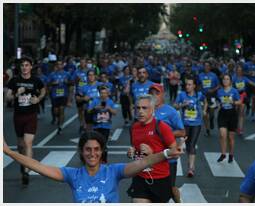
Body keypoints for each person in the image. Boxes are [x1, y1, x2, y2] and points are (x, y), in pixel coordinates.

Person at [3, 131, 183, 203]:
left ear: (101, 152)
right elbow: (37, 165)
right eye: (88, 149)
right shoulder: (72, 174)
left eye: (96, 149)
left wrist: (166, 154)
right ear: (81, 152)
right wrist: (8, 152)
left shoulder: (114, 172)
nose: (92, 153)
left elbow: (143, 162)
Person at [127, 94, 178, 203]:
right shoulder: (133, 127)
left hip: (160, 178)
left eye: (144, 108)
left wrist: (153, 153)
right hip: (140, 177)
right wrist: (132, 152)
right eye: (138, 108)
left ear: (152, 110)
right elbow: (136, 149)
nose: (140, 111)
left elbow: (175, 153)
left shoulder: (162, 127)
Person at [6, 56, 46, 185]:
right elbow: (7, 98)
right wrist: (17, 93)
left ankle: (26, 172)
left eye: (27, 65)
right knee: (20, 145)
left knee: (28, 143)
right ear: (20, 67)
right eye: (22, 65)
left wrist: (38, 99)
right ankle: (23, 164)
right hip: (18, 116)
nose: (24, 67)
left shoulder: (36, 80)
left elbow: (44, 90)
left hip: (31, 115)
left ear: (31, 67)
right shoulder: (15, 81)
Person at [149, 83, 186, 203]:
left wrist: (165, 133)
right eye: (151, 93)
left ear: (163, 95)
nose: (154, 96)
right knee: (152, 189)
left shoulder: (171, 112)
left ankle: (178, 201)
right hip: (151, 157)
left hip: (168, 158)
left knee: (169, 189)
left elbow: (182, 131)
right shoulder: (145, 111)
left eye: (157, 93)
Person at [174, 77, 207, 177]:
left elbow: (206, 101)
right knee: (188, 145)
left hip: (197, 123)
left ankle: (191, 168)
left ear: (194, 86)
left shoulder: (199, 94)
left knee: (192, 145)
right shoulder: (182, 95)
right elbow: (174, 105)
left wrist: (204, 110)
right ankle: (190, 163)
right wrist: (182, 105)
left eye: (189, 84)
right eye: (186, 84)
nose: (187, 86)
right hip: (185, 124)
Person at [216, 74, 241, 163]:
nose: (225, 81)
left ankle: (231, 154)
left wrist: (233, 102)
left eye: (227, 79)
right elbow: (217, 102)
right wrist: (216, 104)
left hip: (232, 114)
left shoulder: (234, 91)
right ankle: (223, 154)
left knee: (231, 137)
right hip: (222, 113)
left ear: (230, 81)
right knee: (222, 135)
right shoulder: (219, 92)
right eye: (224, 79)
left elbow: (239, 102)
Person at [233, 64, 255, 136]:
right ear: (236, 71)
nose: (239, 72)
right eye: (238, 70)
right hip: (235, 97)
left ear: (242, 71)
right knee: (236, 112)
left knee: (241, 112)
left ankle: (241, 129)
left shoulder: (244, 78)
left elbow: (251, 83)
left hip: (243, 96)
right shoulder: (233, 78)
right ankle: (235, 125)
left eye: (240, 71)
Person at [91, 86, 117, 162]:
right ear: (99, 93)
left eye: (105, 93)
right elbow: (88, 111)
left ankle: (104, 160)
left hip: (106, 127)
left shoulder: (110, 102)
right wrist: (95, 108)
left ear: (108, 94)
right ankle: (97, 159)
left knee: (103, 143)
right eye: (101, 93)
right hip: (96, 126)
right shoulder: (95, 101)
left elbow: (115, 113)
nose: (103, 94)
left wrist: (109, 108)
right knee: (96, 143)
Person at [47, 59, 70, 134]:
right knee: (56, 111)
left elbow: (72, 83)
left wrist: (68, 82)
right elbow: (48, 83)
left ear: (63, 65)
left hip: (64, 94)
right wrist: (53, 83)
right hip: (55, 95)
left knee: (62, 109)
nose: (59, 66)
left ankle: (60, 126)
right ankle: (58, 118)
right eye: (58, 64)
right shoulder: (52, 74)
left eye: (61, 64)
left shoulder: (67, 74)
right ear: (56, 66)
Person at [198, 61, 220, 136]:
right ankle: (207, 130)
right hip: (203, 96)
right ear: (203, 67)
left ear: (210, 67)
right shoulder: (200, 75)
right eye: (205, 66)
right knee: (204, 114)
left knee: (211, 112)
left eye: (208, 66)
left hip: (212, 96)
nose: (206, 67)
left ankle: (211, 120)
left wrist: (213, 90)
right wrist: (199, 91)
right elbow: (198, 85)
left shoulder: (214, 75)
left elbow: (218, 85)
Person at [72, 57, 88, 133]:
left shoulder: (89, 71)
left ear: (86, 63)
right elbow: (73, 81)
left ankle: (85, 125)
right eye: (81, 62)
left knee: (85, 109)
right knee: (80, 110)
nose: (82, 64)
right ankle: (81, 124)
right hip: (79, 93)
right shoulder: (76, 72)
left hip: (87, 93)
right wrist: (76, 80)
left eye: (83, 62)